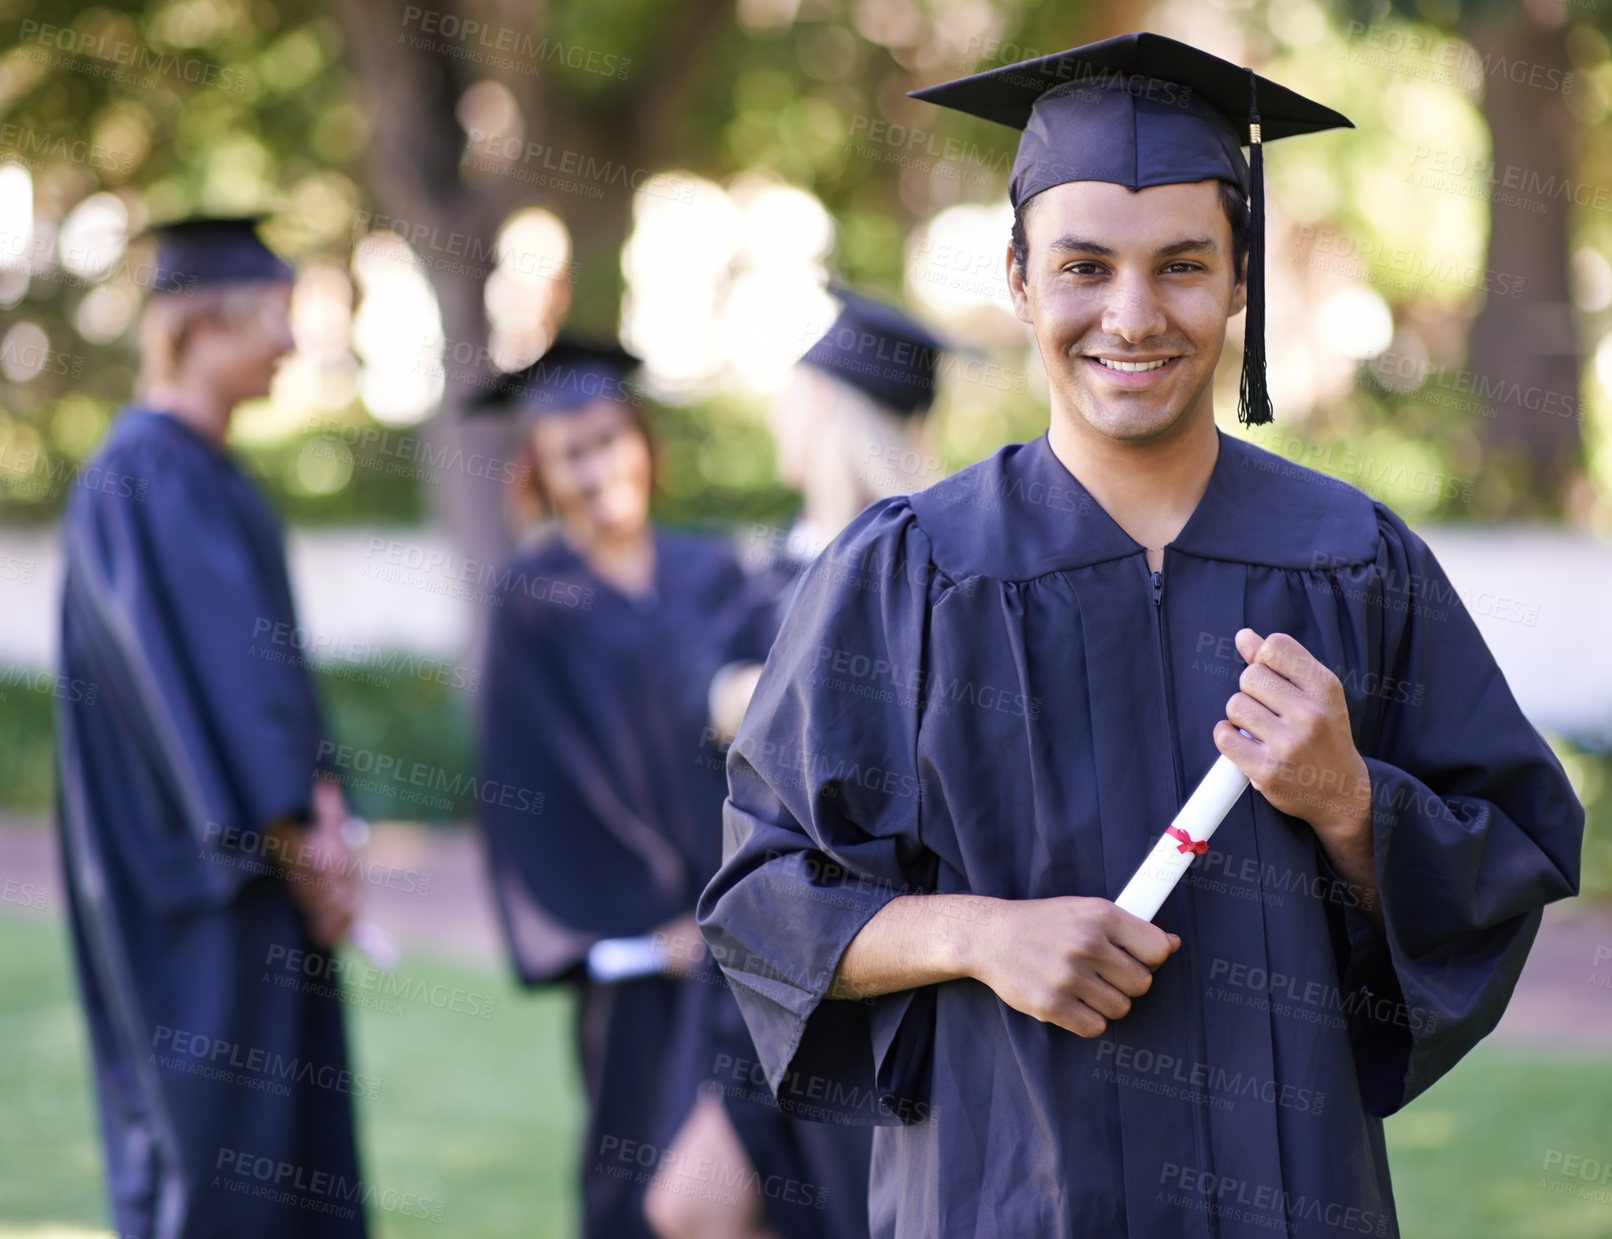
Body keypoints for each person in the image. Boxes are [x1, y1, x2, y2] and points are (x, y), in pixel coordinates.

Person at [698, 33, 1585, 1239]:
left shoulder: (1352, 560)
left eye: (1179, 265)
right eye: (1082, 267)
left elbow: (1512, 857)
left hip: (1290, 1200)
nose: (1130, 314)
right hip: (1002, 1198)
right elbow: (762, 898)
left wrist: (1349, 801)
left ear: (1239, 279)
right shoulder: (910, 573)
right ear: (1017, 278)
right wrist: (977, 936)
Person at [473, 339, 832, 1239]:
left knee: (757, 1169)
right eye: (570, 455)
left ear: (642, 440)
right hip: (643, 949)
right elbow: (533, 779)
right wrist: (641, 926)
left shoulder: (714, 571)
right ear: (540, 477)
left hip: (745, 924)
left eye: (608, 440)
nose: (597, 470)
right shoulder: (532, 597)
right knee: (636, 1166)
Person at [57, 216, 367, 1238]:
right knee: (219, 1162)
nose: (289, 343)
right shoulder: (145, 476)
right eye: (272, 317)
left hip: (251, 874)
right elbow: (213, 698)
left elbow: (268, 681)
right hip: (196, 883)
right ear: (196, 328)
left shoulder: (209, 473)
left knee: (285, 1160)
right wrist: (296, 834)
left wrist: (322, 816)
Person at [709, 286, 947, 743]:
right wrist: (729, 692)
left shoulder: (915, 568)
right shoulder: (786, 547)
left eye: (790, 396)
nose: (776, 417)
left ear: (821, 401)